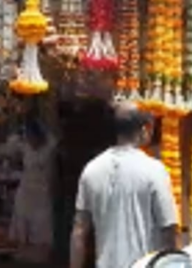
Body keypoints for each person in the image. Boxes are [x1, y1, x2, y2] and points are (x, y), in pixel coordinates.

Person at [70, 101, 179, 268]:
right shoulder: (154, 170)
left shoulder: (92, 170)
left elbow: (79, 231)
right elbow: (168, 231)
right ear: (145, 130)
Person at [0, 119, 58, 263]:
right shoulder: (24, 146)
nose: (30, 140)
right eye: (27, 136)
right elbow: (5, 151)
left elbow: (53, 172)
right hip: (26, 189)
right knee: (22, 219)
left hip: (43, 190)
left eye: (32, 136)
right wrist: (17, 136)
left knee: (42, 223)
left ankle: (40, 254)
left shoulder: (50, 147)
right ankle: (23, 251)